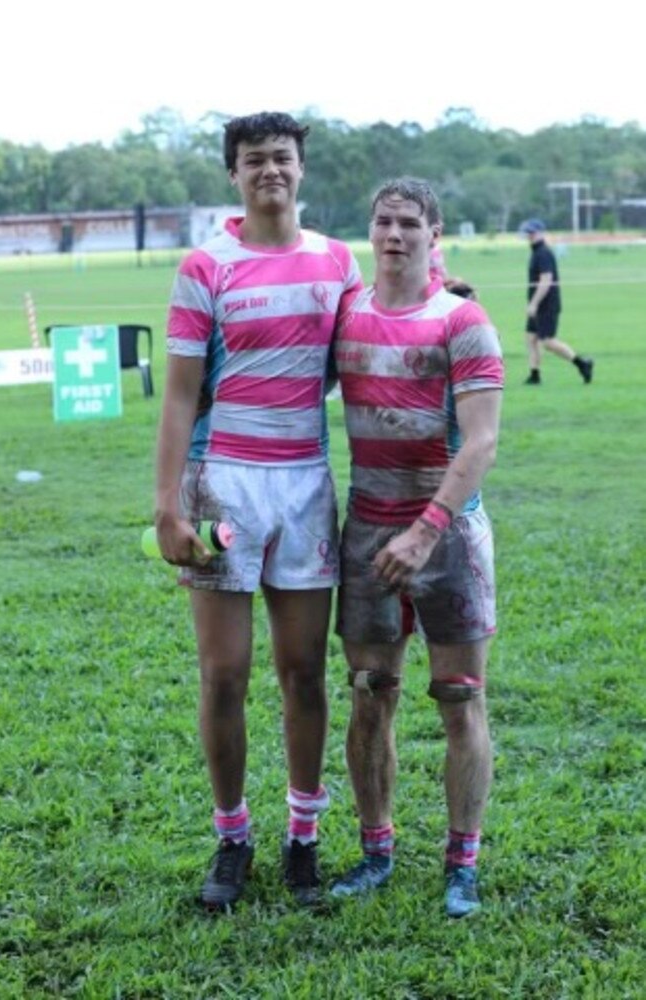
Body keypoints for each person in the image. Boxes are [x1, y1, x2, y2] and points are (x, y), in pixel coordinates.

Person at [153, 111, 362, 912]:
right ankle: (233, 835)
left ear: (301, 169)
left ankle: (303, 839)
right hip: (224, 486)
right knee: (224, 675)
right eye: (253, 160)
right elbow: (176, 398)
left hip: (306, 483)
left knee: (304, 672)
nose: (269, 170)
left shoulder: (337, 262)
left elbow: (360, 349)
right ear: (233, 175)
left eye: (281, 157)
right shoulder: (206, 266)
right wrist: (168, 506)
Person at [331, 177, 504, 918]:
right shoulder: (347, 316)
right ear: (369, 232)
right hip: (368, 531)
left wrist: (426, 529)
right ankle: (376, 851)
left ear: (435, 233)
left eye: (409, 223)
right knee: (372, 696)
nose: (394, 234)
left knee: (460, 700)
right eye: (383, 222)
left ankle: (461, 864)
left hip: (449, 532)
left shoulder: (462, 320)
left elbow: (484, 441)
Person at [520, 218, 593, 385]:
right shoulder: (536, 252)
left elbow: (546, 280)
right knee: (531, 338)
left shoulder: (543, 253)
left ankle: (582, 364)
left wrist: (534, 304)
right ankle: (534, 375)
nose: (529, 236)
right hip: (538, 303)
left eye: (532, 232)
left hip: (547, 305)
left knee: (547, 341)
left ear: (540, 233)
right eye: (527, 233)